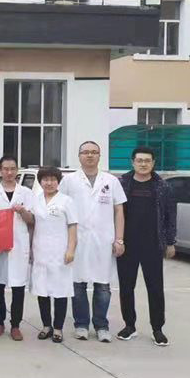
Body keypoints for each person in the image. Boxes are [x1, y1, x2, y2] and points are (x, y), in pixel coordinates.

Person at [59, 141, 126, 342]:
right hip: (77, 239)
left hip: (104, 240)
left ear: (99, 156)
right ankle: (81, 324)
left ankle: (101, 325)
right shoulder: (69, 181)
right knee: (78, 284)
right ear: (79, 156)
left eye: (94, 152)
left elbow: (119, 210)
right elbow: (61, 209)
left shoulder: (111, 180)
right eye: (86, 152)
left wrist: (119, 239)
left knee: (102, 285)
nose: (90, 155)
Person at [117, 147, 176, 346]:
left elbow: (170, 216)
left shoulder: (162, 186)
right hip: (127, 245)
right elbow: (114, 213)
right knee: (126, 287)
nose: (143, 164)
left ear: (153, 163)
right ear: (132, 162)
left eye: (147, 161)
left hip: (153, 244)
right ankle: (129, 325)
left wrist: (170, 242)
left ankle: (157, 329)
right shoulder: (122, 183)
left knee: (155, 288)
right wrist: (116, 240)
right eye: (139, 160)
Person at [0, 155, 35, 341]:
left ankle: (15, 325)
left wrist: (22, 211)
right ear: (0, 170)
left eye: (12, 169)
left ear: (17, 170)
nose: (9, 172)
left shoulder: (26, 193)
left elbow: (31, 220)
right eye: (5, 169)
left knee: (18, 287)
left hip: (19, 245)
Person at [31, 167, 78, 343]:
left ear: (58, 182)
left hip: (60, 252)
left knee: (60, 291)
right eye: (45, 179)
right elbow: (31, 224)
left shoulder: (66, 201)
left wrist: (71, 249)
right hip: (40, 251)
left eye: (53, 179)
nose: (49, 183)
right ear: (40, 182)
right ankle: (46, 326)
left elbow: (72, 226)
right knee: (42, 290)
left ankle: (58, 328)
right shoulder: (35, 200)